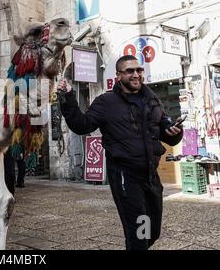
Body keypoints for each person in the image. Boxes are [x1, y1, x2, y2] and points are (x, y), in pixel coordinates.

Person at [57, 55, 183, 250]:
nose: (136, 74)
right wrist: (67, 98)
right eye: (130, 71)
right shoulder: (106, 102)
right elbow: (81, 125)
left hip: (150, 174)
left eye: (139, 70)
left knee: (153, 231)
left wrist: (175, 132)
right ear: (118, 76)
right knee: (138, 233)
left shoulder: (151, 99)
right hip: (126, 176)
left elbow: (165, 131)